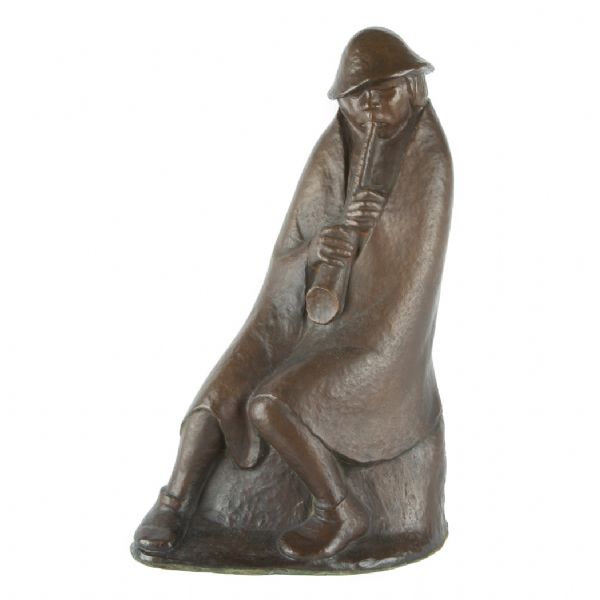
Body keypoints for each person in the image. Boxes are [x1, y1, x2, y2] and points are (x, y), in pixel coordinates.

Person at [134, 27, 453, 561]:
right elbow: (289, 251)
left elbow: (411, 284)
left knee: (273, 404)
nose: (372, 108)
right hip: (296, 318)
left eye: (385, 92)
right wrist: (317, 249)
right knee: (221, 393)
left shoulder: (428, 160)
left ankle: (340, 510)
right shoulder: (334, 149)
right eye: (358, 97)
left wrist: (370, 237)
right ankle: (176, 501)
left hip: (374, 337)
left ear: (415, 88)